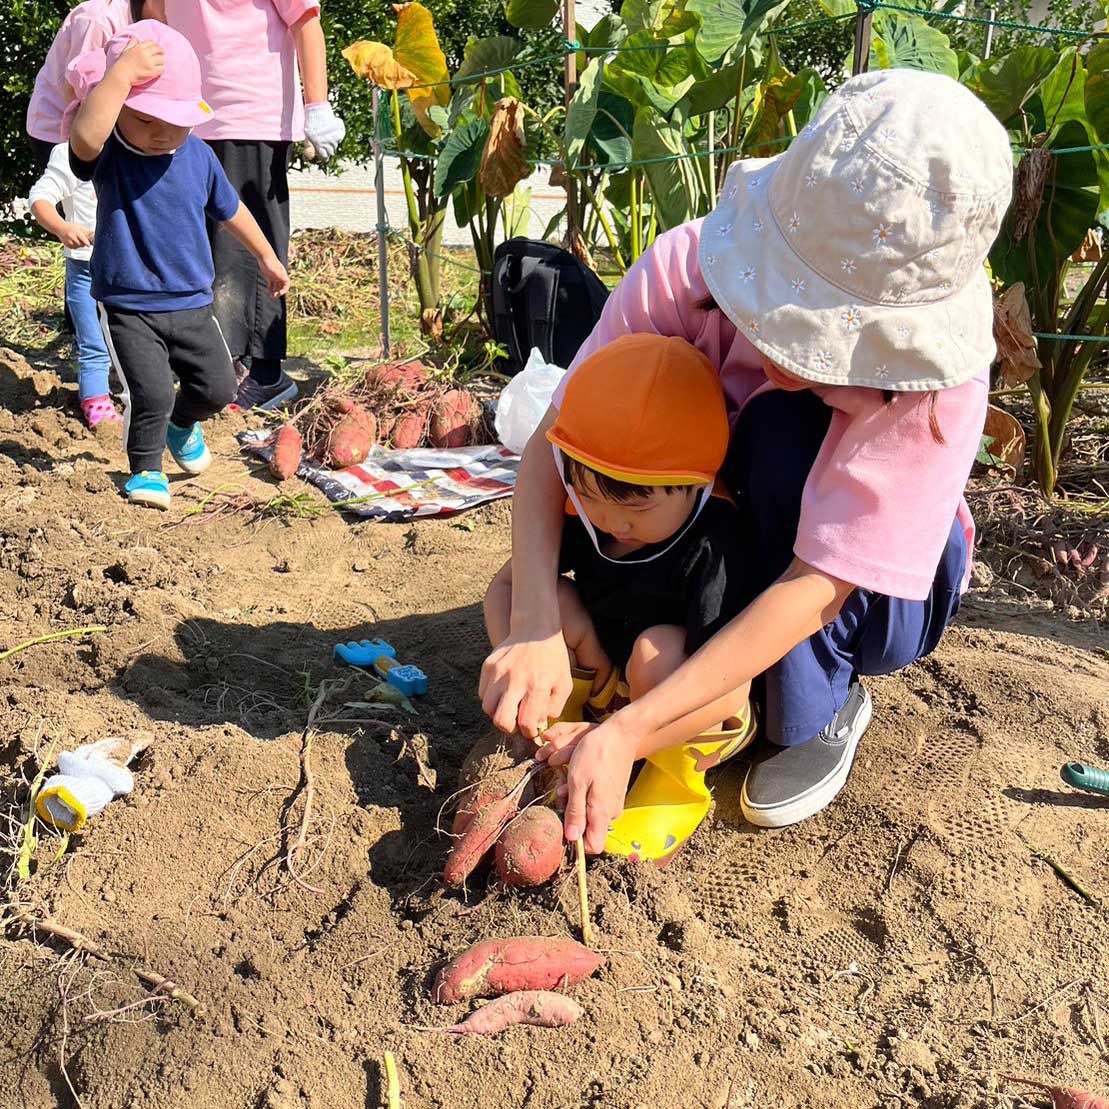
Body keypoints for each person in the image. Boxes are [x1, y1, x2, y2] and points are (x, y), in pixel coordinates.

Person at [479, 68, 1013, 853]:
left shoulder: (938, 392)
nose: (797, 359)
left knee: (779, 435)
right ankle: (712, 674)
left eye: (834, 341)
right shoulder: (678, 273)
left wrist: (630, 731)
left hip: (862, 585)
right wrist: (532, 620)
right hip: (705, 548)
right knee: (654, 635)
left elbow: (819, 584)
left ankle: (825, 702)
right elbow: (555, 445)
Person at [484, 334, 757, 864]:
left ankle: (666, 782)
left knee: (659, 651)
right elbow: (504, 589)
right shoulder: (584, 511)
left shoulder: (716, 544)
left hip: (686, 701)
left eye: (636, 511)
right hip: (615, 677)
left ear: (698, 484)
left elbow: (726, 693)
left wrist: (620, 734)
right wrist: (517, 654)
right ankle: (554, 735)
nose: (611, 523)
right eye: (589, 497)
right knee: (552, 604)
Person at [67, 20, 290, 510]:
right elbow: (84, 137)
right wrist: (121, 74)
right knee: (150, 391)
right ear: (120, 109)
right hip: (128, 304)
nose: (161, 133)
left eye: (175, 120)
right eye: (145, 119)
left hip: (192, 300)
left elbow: (231, 209)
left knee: (218, 387)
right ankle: (146, 472)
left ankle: (181, 425)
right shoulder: (111, 157)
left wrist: (267, 256)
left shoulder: (199, 157)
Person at [165, 0, 346, 411]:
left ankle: (265, 375)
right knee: (203, 247)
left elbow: (305, 22)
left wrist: (317, 105)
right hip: (185, 116)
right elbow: (156, 20)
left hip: (251, 112)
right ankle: (219, 365)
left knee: (248, 245)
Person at [28, 143, 122, 429]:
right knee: (93, 340)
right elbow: (40, 196)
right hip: (85, 266)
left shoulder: (135, 149)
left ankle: (141, 396)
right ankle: (96, 403)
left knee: (134, 338)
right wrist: (62, 227)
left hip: (129, 267)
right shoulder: (69, 153)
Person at [26, 0, 164, 170]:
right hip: (58, 131)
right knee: (73, 193)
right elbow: (77, 90)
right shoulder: (98, 21)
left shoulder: (156, 25)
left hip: (105, 129)